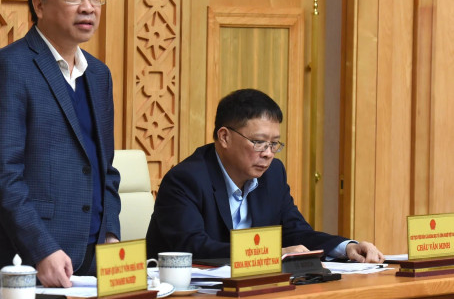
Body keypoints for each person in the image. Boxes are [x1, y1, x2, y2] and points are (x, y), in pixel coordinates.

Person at [0, 0, 121, 287]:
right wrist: (42, 249)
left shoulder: (99, 75)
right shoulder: (10, 68)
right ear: (39, 6)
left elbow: (105, 168)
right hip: (33, 259)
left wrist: (110, 232)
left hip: (96, 255)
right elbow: (3, 177)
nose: (88, 6)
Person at [147, 88, 384, 262]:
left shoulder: (273, 175)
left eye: (275, 144)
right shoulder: (185, 179)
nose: (269, 154)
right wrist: (270, 254)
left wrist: (346, 247)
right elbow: (193, 248)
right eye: (259, 143)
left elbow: (295, 231)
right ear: (224, 137)